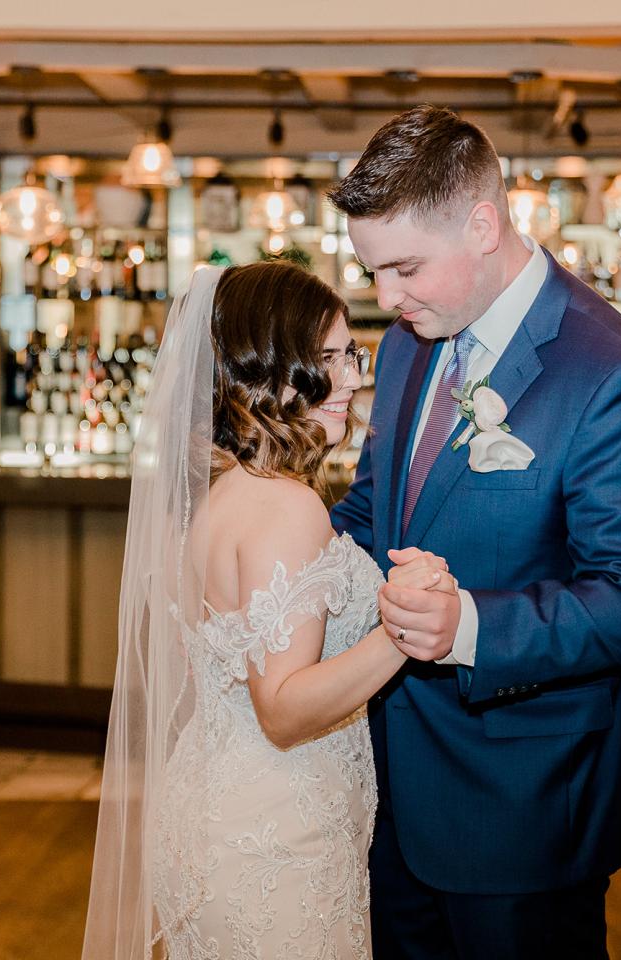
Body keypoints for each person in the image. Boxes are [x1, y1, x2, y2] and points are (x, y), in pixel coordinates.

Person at [328, 106, 621, 959]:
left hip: (524, 803)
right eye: (373, 271)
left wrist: (472, 627)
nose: (386, 298)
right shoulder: (414, 341)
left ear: (483, 226)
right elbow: (372, 511)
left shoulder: (612, 374)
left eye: (405, 267)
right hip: (390, 786)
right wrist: (263, 550)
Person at [82, 261, 453, 959]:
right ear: (270, 369)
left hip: (216, 809)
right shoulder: (286, 506)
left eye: (352, 356)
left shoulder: (214, 495)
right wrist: (405, 628)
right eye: (330, 360)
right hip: (278, 838)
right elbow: (281, 709)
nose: (352, 380)